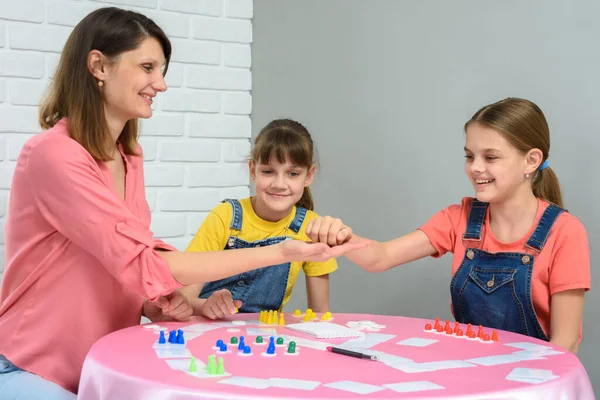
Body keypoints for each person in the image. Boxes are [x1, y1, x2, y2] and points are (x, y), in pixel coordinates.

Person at [0, 8, 359, 398]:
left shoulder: (128, 157)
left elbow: (122, 257)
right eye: (148, 67)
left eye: (161, 70)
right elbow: (144, 261)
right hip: (33, 366)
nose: (161, 84)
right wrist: (280, 251)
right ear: (99, 66)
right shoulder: (55, 155)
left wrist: (156, 303)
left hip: (100, 366)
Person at [307, 98, 591, 353]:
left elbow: (565, 343)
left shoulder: (565, 232)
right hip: (471, 374)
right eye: (470, 156)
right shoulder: (460, 219)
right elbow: (381, 257)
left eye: (490, 157)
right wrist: (341, 236)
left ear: (531, 160)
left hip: (533, 382)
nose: (475, 167)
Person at [182, 119, 345, 319]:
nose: (279, 184)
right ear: (253, 171)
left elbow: (321, 314)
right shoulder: (225, 216)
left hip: (263, 336)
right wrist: (204, 306)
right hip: (206, 330)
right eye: (268, 172)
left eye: (293, 173)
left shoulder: (312, 228)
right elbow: (183, 299)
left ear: (309, 176)